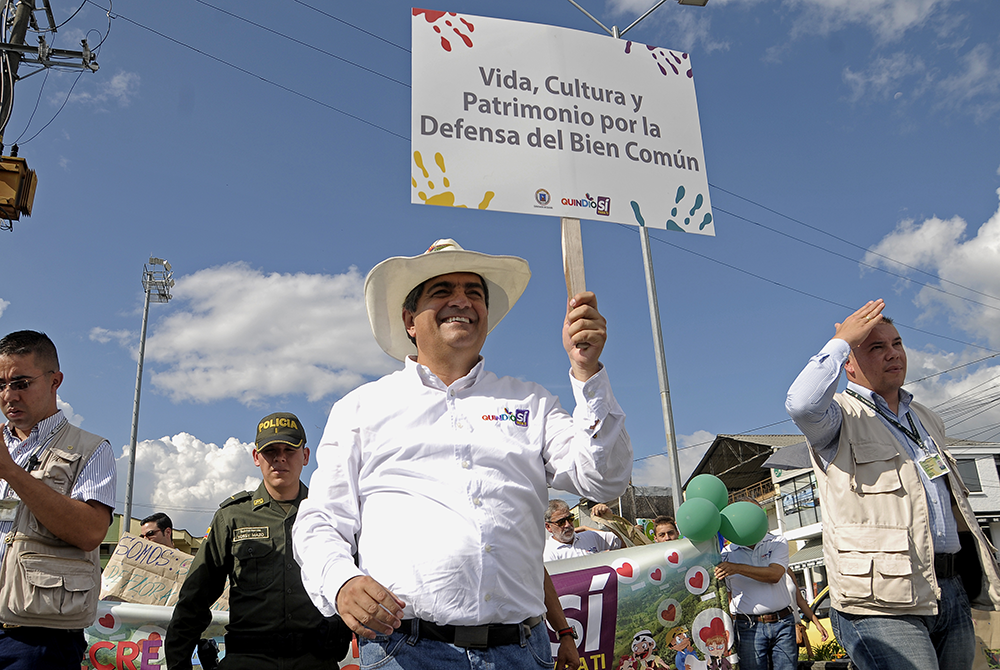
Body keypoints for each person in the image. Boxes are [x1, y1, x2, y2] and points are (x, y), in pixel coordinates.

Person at [293, 238, 632, 669]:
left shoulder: (532, 402)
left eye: (474, 292)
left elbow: (603, 479)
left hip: (522, 652)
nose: (462, 300)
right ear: (409, 320)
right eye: (442, 291)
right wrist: (340, 581)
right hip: (407, 653)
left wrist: (586, 373)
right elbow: (321, 519)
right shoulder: (361, 409)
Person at [786, 299, 1000, 670]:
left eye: (896, 344)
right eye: (875, 347)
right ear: (848, 365)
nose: (892, 354)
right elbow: (802, 404)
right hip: (880, 602)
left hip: (949, 587)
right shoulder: (838, 416)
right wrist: (841, 341)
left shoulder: (926, 418)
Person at [166, 412, 351, 670]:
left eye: (289, 449)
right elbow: (194, 599)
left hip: (315, 661)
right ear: (256, 457)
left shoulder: (331, 513)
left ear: (306, 456)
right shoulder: (232, 517)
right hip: (248, 660)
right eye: (270, 451)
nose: (280, 458)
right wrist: (178, 664)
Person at [0, 330, 116, 669]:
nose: (9, 395)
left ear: (55, 381)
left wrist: (11, 472)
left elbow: (90, 532)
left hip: (39, 638)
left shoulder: (90, 450)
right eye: (0, 384)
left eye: (20, 383)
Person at [714, 511, 796, 670]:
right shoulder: (725, 554)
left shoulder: (777, 541)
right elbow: (727, 594)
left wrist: (737, 568)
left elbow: (775, 575)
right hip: (747, 625)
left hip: (783, 621)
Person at [544, 498, 622, 561]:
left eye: (570, 518)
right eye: (561, 522)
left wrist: (610, 518)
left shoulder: (592, 537)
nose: (567, 525)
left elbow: (627, 541)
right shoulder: (546, 553)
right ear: (548, 527)